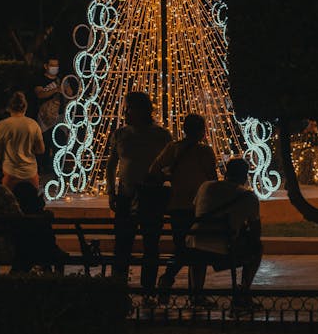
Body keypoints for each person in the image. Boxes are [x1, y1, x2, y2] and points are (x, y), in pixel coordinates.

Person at [106, 91, 173, 302]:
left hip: (151, 195)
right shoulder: (121, 134)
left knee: (151, 243)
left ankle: (148, 289)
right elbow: (111, 163)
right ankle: (118, 287)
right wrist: (111, 190)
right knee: (123, 242)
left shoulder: (161, 135)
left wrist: (160, 179)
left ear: (143, 110)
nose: (127, 112)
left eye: (130, 107)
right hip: (126, 194)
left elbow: (170, 164)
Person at [148, 113, 218, 303]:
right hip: (200, 207)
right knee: (198, 249)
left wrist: (170, 178)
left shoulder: (174, 148)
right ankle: (194, 292)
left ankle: (169, 279)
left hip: (177, 205)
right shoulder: (205, 152)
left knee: (182, 247)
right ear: (202, 131)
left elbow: (154, 170)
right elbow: (212, 179)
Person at [185, 156, 262, 310]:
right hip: (224, 249)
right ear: (245, 176)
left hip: (194, 245)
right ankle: (243, 292)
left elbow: (195, 212)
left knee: (200, 246)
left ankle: (197, 294)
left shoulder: (205, 187)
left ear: (226, 172)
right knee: (257, 248)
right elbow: (256, 232)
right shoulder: (248, 197)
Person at [0, 91, 45, 191]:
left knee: (10, 204)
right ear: (25, 107)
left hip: (10, 174)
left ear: (9, 108)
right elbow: (41, 150)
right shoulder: (33, 124)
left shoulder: (2, 125)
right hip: (31, 174)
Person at [12, 180, 69, 273]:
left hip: (21, 251)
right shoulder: (42, 215)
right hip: (44, 250)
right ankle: (52, 275)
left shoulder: (16, 215)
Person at [32, 56, 72, 177]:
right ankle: (43, 169)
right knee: (45, 144)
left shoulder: (62, 80)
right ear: (46, 66)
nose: (55, 68)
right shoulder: (40, 79)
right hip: (44, 119)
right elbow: (40, 94)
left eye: (56, 65)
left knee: (59, 143)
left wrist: (65, 88)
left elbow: (70, 93)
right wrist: (55, 90)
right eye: (52, 65)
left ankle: (58, 170)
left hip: (59, 117)